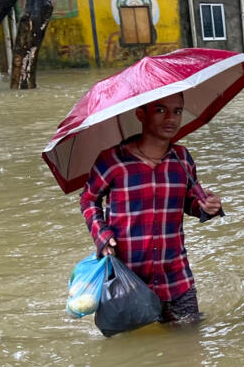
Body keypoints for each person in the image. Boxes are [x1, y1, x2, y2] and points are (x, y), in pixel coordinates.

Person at [80, 93, 223, 324]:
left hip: (176, 279)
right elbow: (88, 200)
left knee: (190, 346)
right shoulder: (113, 160)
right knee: (129, 350)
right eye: (160, 110)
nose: (171, 118)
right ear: (140, 115)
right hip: (129, 280)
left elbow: (189, 202)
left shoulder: (182, 158)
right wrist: (102, 236)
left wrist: (208, 207)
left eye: (177, 111)